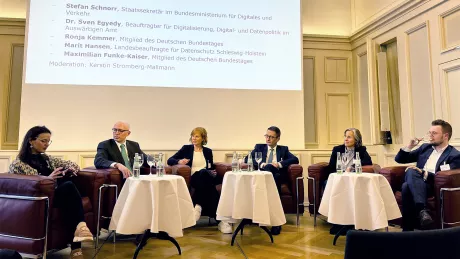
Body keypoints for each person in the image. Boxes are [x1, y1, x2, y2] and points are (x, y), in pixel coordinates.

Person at [9, 126, 93, 259]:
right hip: (41, 200)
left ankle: (79, 235)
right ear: (31, 141)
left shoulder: (47, 158)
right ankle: (79, 234)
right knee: (68, 188)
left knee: (69, 188)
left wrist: (68, 169)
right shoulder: (19, 164)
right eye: (43, 141)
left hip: (58, 195)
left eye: (48, 141)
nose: (47, 144)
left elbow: (73, 164)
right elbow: (25, 185)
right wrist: (47, 179)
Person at [395, 119, 460, 231]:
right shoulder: (425, 148)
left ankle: (407, 229)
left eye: (434, 133)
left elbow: (445, 177)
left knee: (407, 185)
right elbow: (400, 159)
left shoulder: (454, 155)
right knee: (410, 175)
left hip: (432, 185)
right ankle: (422, 211)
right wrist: (410, 146)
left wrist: (424, 173)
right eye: (429, 133)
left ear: (445, 136)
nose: (430, 136)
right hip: (416, 181)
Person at [167, 127, 232, 234]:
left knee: (205, 174)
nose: (194, 138)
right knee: (202, 175)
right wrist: (180, 161)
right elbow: (170, 160)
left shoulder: (208, 151)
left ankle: (198, 205)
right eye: (193, 136)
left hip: (206, 177)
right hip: (193, 178)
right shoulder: (186, 149)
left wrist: (212, 171)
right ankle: (222, 221)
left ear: (203, 138)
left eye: (197, 136)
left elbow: (210, 167)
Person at [245, 126, 299, 235]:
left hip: (276, 177)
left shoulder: (283, 149)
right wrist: (262, 164)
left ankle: (276, 223)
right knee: (269, 167)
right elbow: (247, 159)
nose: (268, 139)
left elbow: (295, 159)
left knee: (274, 172)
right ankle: (274, 221)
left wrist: (279, 164)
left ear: (278, 139)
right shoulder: (259, 147)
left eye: (271, 137)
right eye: (267, 136)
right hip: (261, 176)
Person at [325, 128, 373, 235]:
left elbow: (367, 164)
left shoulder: (361, 150)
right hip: (338, 179)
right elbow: (331, 167)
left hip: (353, 180)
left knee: (355, 189)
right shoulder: (337, 149)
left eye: (349, 137)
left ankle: (353, 221)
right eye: (345, 136)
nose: (346, 139)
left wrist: (352, 168)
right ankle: (338, 222)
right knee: (336, 188)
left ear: (356, 140)